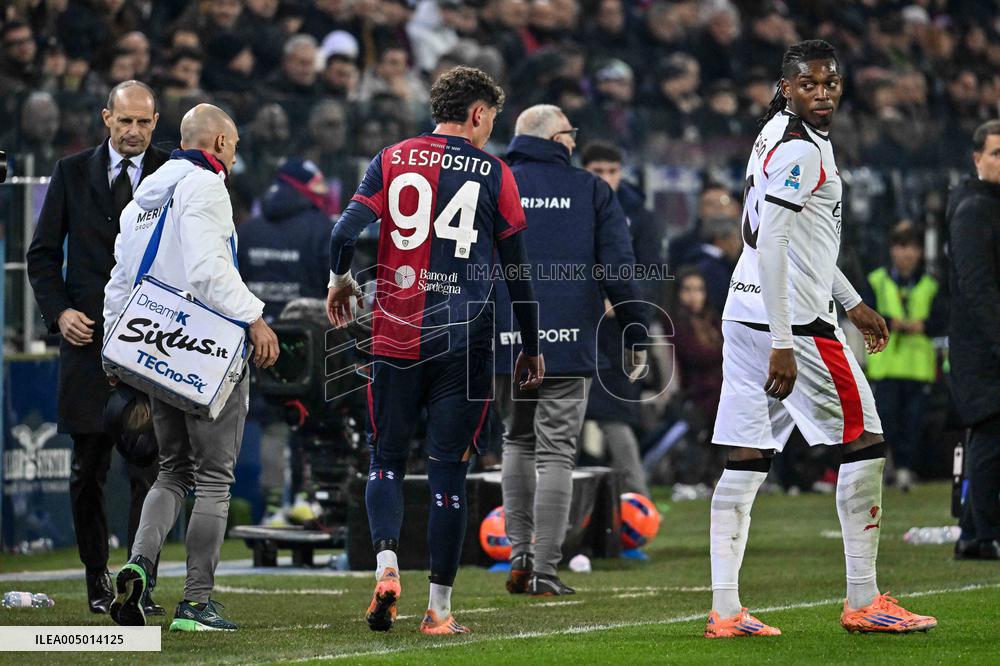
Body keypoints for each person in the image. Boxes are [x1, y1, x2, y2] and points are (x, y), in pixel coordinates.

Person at [705, 40, 936, 638]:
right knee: (865, 442)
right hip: (794, 326)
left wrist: (852, 300)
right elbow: (776, 242)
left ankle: (725, 611)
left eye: (830, 83)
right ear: (787, 87)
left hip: (743, 313)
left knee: (747, 459)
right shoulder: (801, 151)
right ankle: (864, 599)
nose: (822, 93)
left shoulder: (773, 133)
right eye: (808, 84)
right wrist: (787, 337)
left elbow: (795, 237)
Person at [326, 66, 542, 635]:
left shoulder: (392, 158)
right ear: (477, 115)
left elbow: (342, 235)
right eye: (490, 118)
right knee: (450, 471)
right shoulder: (495, 172)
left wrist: (339, 280)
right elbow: (517, 270)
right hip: (466, 341)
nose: (490, 128)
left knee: (385, 458)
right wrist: (531, 343)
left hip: (396, 331)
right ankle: (439, 612)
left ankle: (388, 566)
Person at [102, 103, 279, 631]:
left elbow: (120, 279)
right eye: (237, 145)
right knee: (214, 479)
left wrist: (114, 346)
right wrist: (255, 317)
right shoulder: (207, 187)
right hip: (205, 348)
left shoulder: (142, 200)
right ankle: (197, 603)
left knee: (172, 470)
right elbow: (207, 270)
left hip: (153, 347)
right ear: (221, 143)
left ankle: (139, 565)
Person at [26, 80, 168, 617]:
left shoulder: (174, 172)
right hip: (85, 342)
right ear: (106, 118)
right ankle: (95, 579)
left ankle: (139, 580)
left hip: (154, 345)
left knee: (149, 468)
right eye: (125, 121)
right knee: (88, 467)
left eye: (145, 123)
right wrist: (60, 313)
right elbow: (41, 255)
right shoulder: (69, 172)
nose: (134, 132)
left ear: (156, 123)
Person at [496, 105, 648, 594]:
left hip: (505, 339)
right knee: (556, 453)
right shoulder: (591, 190)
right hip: (567, 340)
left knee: (516, 442)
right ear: (558, 138)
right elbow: (618, 268)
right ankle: (544, 569)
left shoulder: (493, 182)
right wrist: (635, 329)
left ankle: (518, 554)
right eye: (571, 134)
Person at [949, 119, 1000, 560]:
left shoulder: (986, 205)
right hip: (980, 345)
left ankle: (971, 533)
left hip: (984, 339)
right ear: (977, 158)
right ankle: (985, 535)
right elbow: (977, 285)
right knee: (990, 429)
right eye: (997, 153)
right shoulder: (974, 209)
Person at [863, 222, 945, 491]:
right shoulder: (876, 280)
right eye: (901, 247)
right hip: (885, 366)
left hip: (918, 366)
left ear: (920, 252)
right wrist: (890, 322)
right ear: (892, 250)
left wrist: (924, 326)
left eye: (911, 247)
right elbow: (863, 312)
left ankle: (907, 470)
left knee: (913, 423)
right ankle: (887, 468)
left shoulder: (931, 285)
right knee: (885, 421)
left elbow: (944, 319)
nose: (906, 254)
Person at [238, 158, 335, 322]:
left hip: (251, 333)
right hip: (309, 337)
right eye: (317, 186)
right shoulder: (326, 230)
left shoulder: (246, 230)